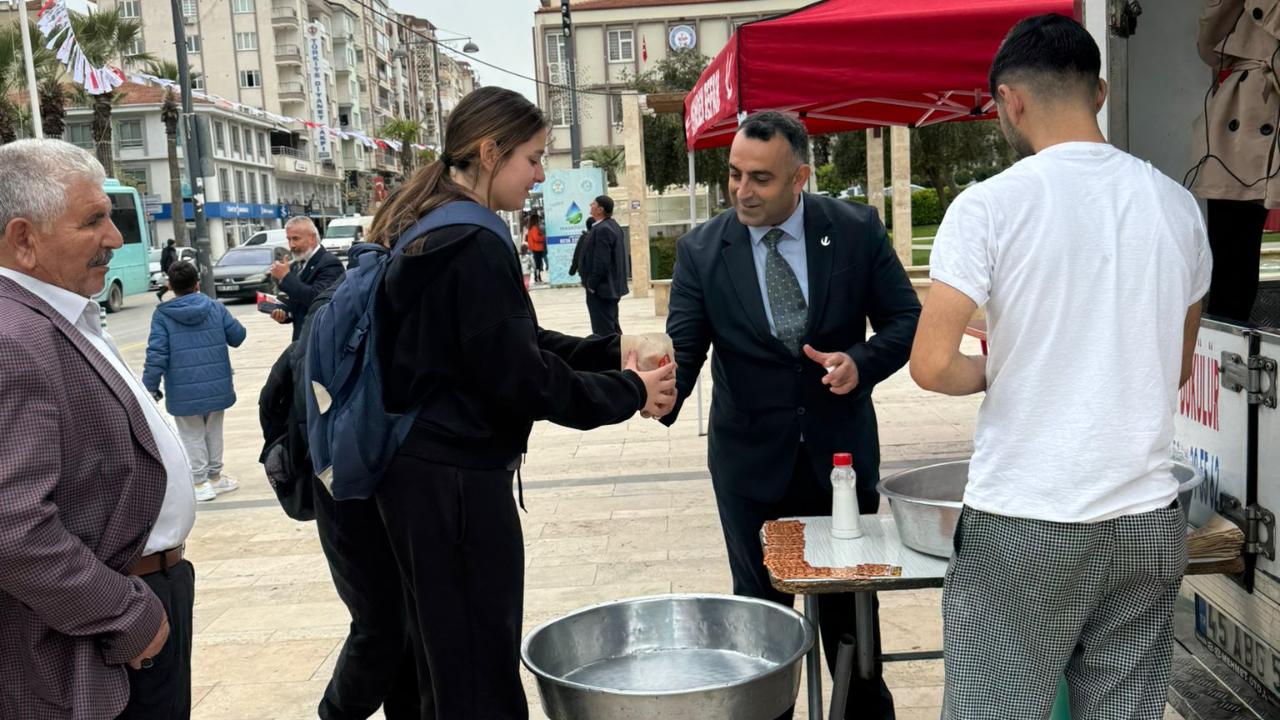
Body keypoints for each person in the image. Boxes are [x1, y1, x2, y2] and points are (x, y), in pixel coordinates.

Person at [909, 15, 1210, 720]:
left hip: (1029, 518)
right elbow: (1174, 367)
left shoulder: (990, 206)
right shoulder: (1175, 207)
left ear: (1011, 100)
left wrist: (995, 372)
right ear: (1099, 92)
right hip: (1144, 520)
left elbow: (929, 363)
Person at [371, 86, 677, 719]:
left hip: (421, 478)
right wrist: (633, 391)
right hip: (456, 486)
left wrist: (611, 349)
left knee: (445, 660)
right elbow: (522, 379)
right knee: (478, 669)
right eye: (533, 158)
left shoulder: (431, 225)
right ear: (489, 153)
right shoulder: (474, 242)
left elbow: (513, 343)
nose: (540, 174)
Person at [660, 111, 921, 720]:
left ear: (800, 176)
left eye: (761, 179)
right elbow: (686, 350)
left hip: (840, 461)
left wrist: (861, 360)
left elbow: (906, 320)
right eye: (733, 175)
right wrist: (650, 389)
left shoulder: (854, 230)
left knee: (851, 613)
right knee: (760, 621)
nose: (742, 192)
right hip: (749, 465)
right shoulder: (702, 250)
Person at [0, 139, 196, 719]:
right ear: (24, 240)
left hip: (141, 599)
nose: (114, 238)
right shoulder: (13, 339)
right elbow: (12, 525)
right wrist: (125, 613)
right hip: (93, 637)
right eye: (94, 221)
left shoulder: (58, 314)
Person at [259, 240, 424, 720]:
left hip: (336, 483)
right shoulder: (384, 306)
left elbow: (276, 390)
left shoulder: (334, 302)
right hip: (360, 490)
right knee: (385, 626)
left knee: (395, 621)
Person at [1190, 0, 1278, 322]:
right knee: (1231, 263)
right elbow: (1210, 48)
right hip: (1243, 114)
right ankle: (1225, 361)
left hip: (1252, 106)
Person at [143, 260, 247, 503]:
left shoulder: (162, 315)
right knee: (214, 432)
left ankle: (200, 483)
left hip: (183, 389)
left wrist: (149, 387)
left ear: (170, 286)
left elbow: (156, 353)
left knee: (192, 434)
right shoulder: (214, 307)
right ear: (197, 283)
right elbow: (238, 336)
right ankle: (215, 477)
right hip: (216, 385)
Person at [270, 216, 345, 340]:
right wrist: (284, 313)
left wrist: (286, 277)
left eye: (296, 239)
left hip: (321, 339)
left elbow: (318, 300)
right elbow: (297, 302)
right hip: (301, 339)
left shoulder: (330, 263)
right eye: (288, 239)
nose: (291, 245)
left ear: (312, 237)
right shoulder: (296, 265)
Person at [579, 195, 628, 335]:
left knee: (603, 333)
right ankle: (620, 355)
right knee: (612, 329)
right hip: (608, 289)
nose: (590, 204)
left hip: (602, 290)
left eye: (593, 204)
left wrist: (592, 285)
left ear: (600, 209)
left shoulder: (603, 229)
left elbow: (601, 261)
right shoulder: (611, 226)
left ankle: (611, 356)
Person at [525, 212, 546, 283]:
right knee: (538, 264)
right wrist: (543, 237)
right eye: (538, 219)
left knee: (537, 264)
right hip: (537, 248)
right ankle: (537, 278)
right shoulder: (534, 228)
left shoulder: (531, 228)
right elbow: (537, 238)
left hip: (535, 248)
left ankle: (538, 278)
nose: (539, 220)